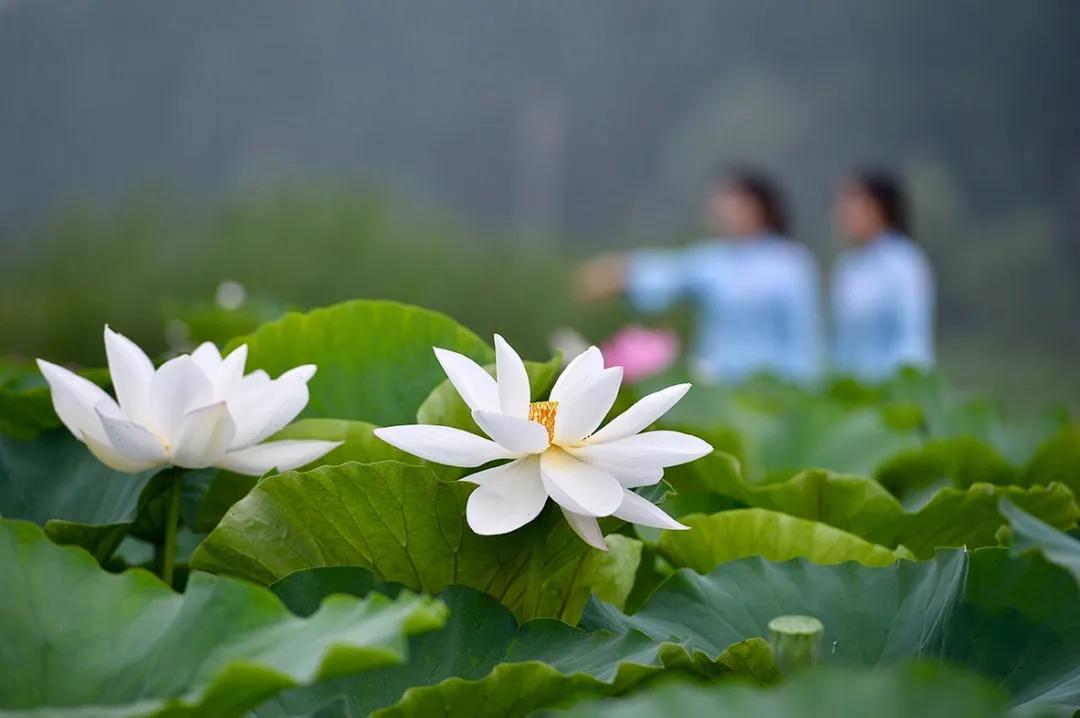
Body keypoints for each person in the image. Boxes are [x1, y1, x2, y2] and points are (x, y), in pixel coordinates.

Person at [577, 166, 822, 383]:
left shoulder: (791, 264)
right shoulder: (714, 261)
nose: (722, 212)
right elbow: (671, 274)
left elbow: (804, 335)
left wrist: (807, 384)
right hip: (715, 384)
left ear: (759, 207)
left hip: (775, 388)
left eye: (733, 203)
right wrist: (624, 272)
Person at [831, 169, 934, 380]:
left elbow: (911, 336)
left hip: (894, 389)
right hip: (855, 392)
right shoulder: (848, 268)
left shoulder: (905, 262)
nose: (843, 212)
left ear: (879, 208)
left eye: (852, 202)